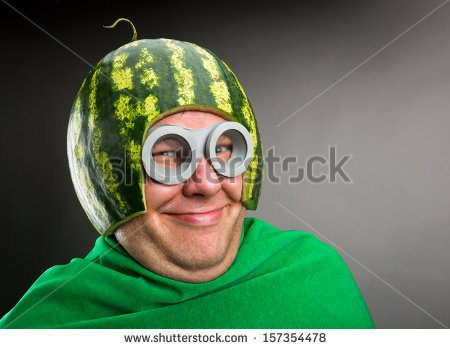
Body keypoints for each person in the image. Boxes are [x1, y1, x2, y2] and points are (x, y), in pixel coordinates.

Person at [0, 20, 374, 329]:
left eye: (225, 148)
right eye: (166, 154)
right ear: (106, 178)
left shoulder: (314, 278)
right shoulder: (43, 325)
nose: (207, 184)